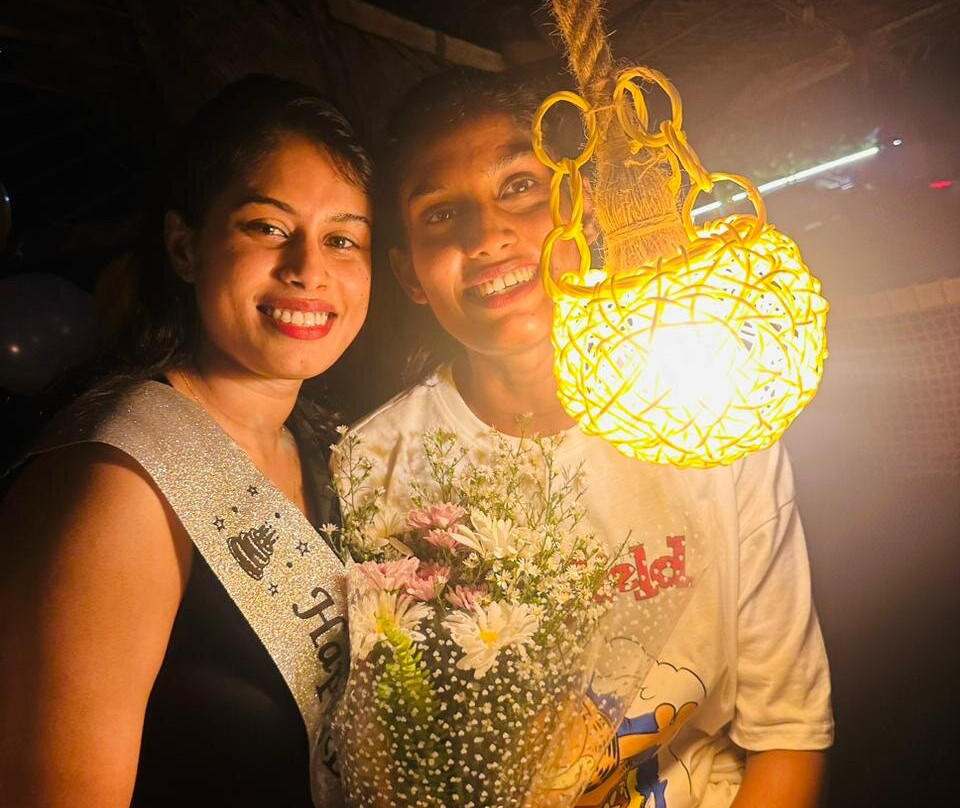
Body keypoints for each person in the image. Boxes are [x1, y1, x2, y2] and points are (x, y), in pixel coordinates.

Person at [346, 69, 833, 808]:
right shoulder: (374, 462)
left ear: (582, 208)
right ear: (409, 274)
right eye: (441, 214)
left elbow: (788, 734)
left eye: (519, 187)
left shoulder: (712, 416)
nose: (488, 236)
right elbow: (385, 744)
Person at [0, 74, 372, 808]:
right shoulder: (119, 482)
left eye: (342, 239)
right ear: (184, 246)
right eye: (267, 228)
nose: (308, 269)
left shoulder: (326, 449)